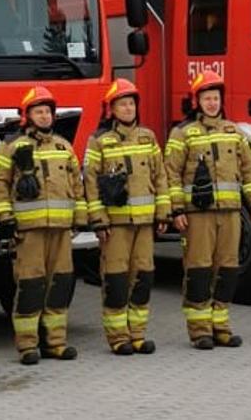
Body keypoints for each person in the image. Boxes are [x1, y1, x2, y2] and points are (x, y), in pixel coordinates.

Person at [164, 71, 251, 349]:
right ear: (196, 101)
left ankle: (221, 325)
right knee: (199, 270)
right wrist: (177, 210)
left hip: (231, 213)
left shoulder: (234, 132)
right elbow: (171, 174)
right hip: (198, 215)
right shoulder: (182, 134)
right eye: (207, 98)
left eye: (215, 98)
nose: (212, 103)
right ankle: (200, 330)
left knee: (228, 269)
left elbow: (249, 171)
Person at [0, 86, 84, 365]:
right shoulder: (12, 146)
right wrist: (6, 220)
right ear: (27, 116)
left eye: (47, 111)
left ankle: (56, 343)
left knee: (60, 285)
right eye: (38, 111)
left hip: (61, 230)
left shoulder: (63, 147)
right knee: (30, 286)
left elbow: (77, 186)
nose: (44, 116)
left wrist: (80, 219)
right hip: (28, 231)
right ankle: (28, 345)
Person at [83, 78, 170, 356]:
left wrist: (163, 212)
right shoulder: (99, 141)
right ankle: (118, 337)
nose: (128, 108)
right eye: (122, 104)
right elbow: (90, 183)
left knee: (143, 278)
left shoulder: (148, 137)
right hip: (115, 226)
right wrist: (98, 219)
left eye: (131, 103)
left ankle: (138, 335)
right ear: (111, 109)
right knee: (117, 280)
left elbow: (160, 177)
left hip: (144, 223)